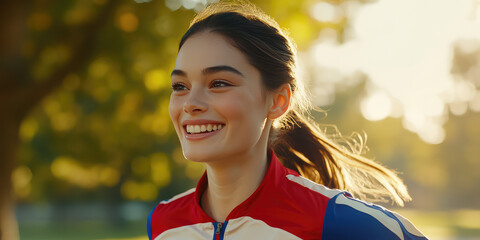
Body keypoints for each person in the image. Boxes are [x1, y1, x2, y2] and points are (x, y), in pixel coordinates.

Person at [147, 1, 428, 239]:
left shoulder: (337, 221)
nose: (191, 103)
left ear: (278, 101)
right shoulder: (162, 223)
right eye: (180, 86)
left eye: (219, 83)